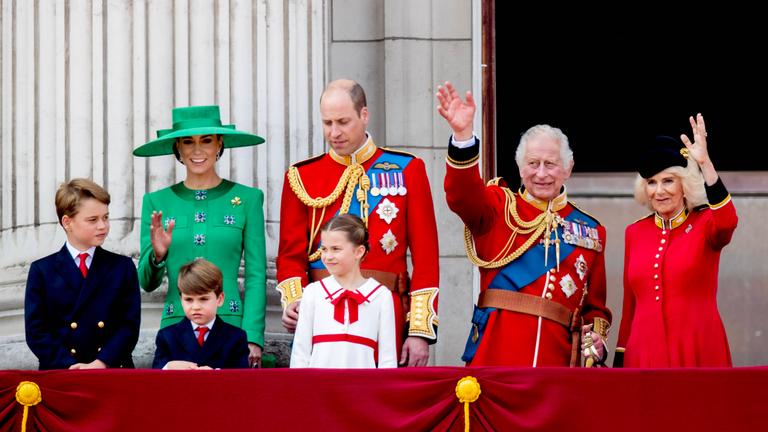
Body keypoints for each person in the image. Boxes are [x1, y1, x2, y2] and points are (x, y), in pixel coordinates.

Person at [437, 82, 611, 367]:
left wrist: (597, 343)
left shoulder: (590, 230)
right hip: (496, 356)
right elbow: (461, 196)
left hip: (556, 363)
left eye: (550, 164)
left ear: (568, 168)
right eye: (533, 163)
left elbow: (596, 309)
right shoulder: (497, 206)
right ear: (519, 167)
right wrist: (462, 137)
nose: (541, 173)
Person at [277, 79, 439, 367]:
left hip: (387, 313)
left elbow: (426, 258)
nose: (334, 132)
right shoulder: (301, 176)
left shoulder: (408, 169)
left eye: (343, 121)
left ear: (364, 115)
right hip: (323, 312)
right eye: (327, 123)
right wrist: (294, 300)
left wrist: (419, 330)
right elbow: (290, 255)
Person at [133, 105, 267, 367]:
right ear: (178, 149)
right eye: (188, 142)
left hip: (231, 327)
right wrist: (158, 256)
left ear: (219, 144)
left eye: (206, 141)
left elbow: (256, 274)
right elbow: (146, 283)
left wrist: (253, 336)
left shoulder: (248, 200)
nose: (197, 150)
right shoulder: (156, 201)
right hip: (176, 330)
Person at [614, 114, 737, 367]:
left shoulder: (705, 224)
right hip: (644, 353)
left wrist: (705, 164)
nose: (659, 191)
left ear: (684, 185)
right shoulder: (634, 233)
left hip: (698, 347)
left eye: (668, 181)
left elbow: (728, 222)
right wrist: (621, 358)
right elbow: (630, 305)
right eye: (651, 183)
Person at [25, 179, 141, 370]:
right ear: (67, 222)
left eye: (106, 217)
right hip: (62, 374)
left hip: (112, 370)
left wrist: (101, 363)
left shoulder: (122, 267)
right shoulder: (42, 271)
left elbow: (128, 326)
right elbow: (36, 332)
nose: (103, 226)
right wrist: (71, 366)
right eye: (93, 220)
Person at [290, 215, 397, 368]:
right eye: (324, 249)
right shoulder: (313, 292)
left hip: (362, 388)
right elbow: (300, 354)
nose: (327, 256)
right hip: (318, 388)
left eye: (336, 249)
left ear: (359, 252)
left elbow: (388, 359)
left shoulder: (381, 296)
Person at [153, 259, 249, 369]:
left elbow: (241, 377)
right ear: (181, 300)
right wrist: (168, 367)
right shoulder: (167, 336)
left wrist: (217, 374)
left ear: (220, 299)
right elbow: (155, 373)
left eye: (203, 299)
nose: (196, 307)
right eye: (189, 299)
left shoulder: (236, 337)